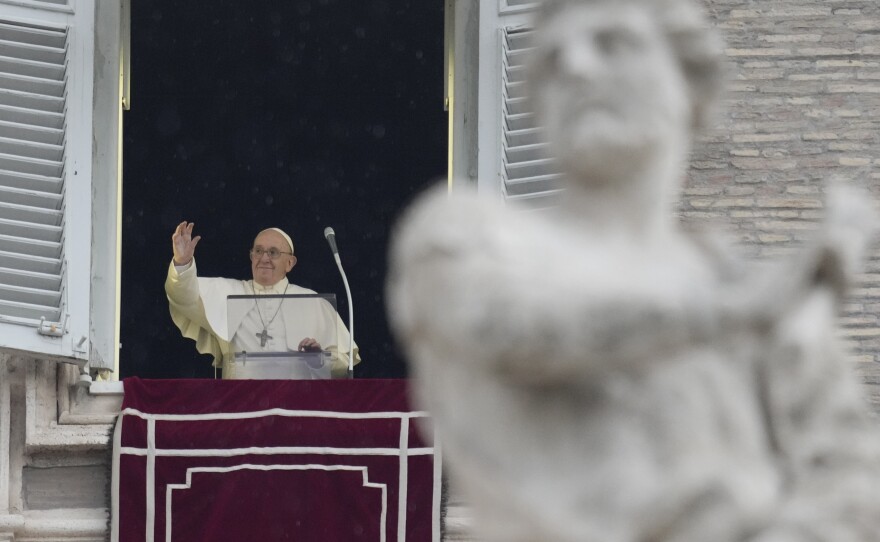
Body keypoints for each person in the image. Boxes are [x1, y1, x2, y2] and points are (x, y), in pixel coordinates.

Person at [165, 221, 359, 378]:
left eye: (273, 253)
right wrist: (182, 263)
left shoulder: (314, 302)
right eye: (258, 251)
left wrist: (319, 359)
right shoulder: (228, 291)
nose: (264, 258)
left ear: (290, 263)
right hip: (242, 409)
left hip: (296, 411)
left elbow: (344, 362)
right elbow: (184, 297)